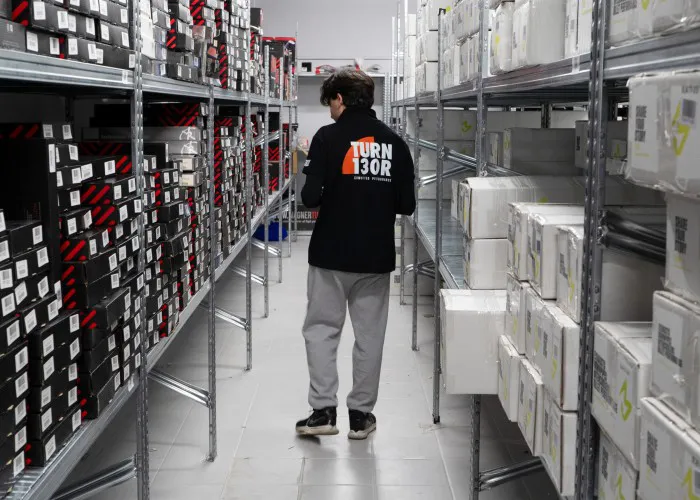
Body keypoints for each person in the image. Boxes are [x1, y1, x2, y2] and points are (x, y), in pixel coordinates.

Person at [295, 69, 416, 440]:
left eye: (330, 102)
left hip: (330, 254)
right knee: (370, 336)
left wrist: (335, 188)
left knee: (321, 331)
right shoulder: (396, 143)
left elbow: (309, 198)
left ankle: (323, 413)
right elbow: (407, 205)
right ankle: (361, 417)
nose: (330, 110)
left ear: (339, 99)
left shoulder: (327, 137)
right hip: (374, 256)